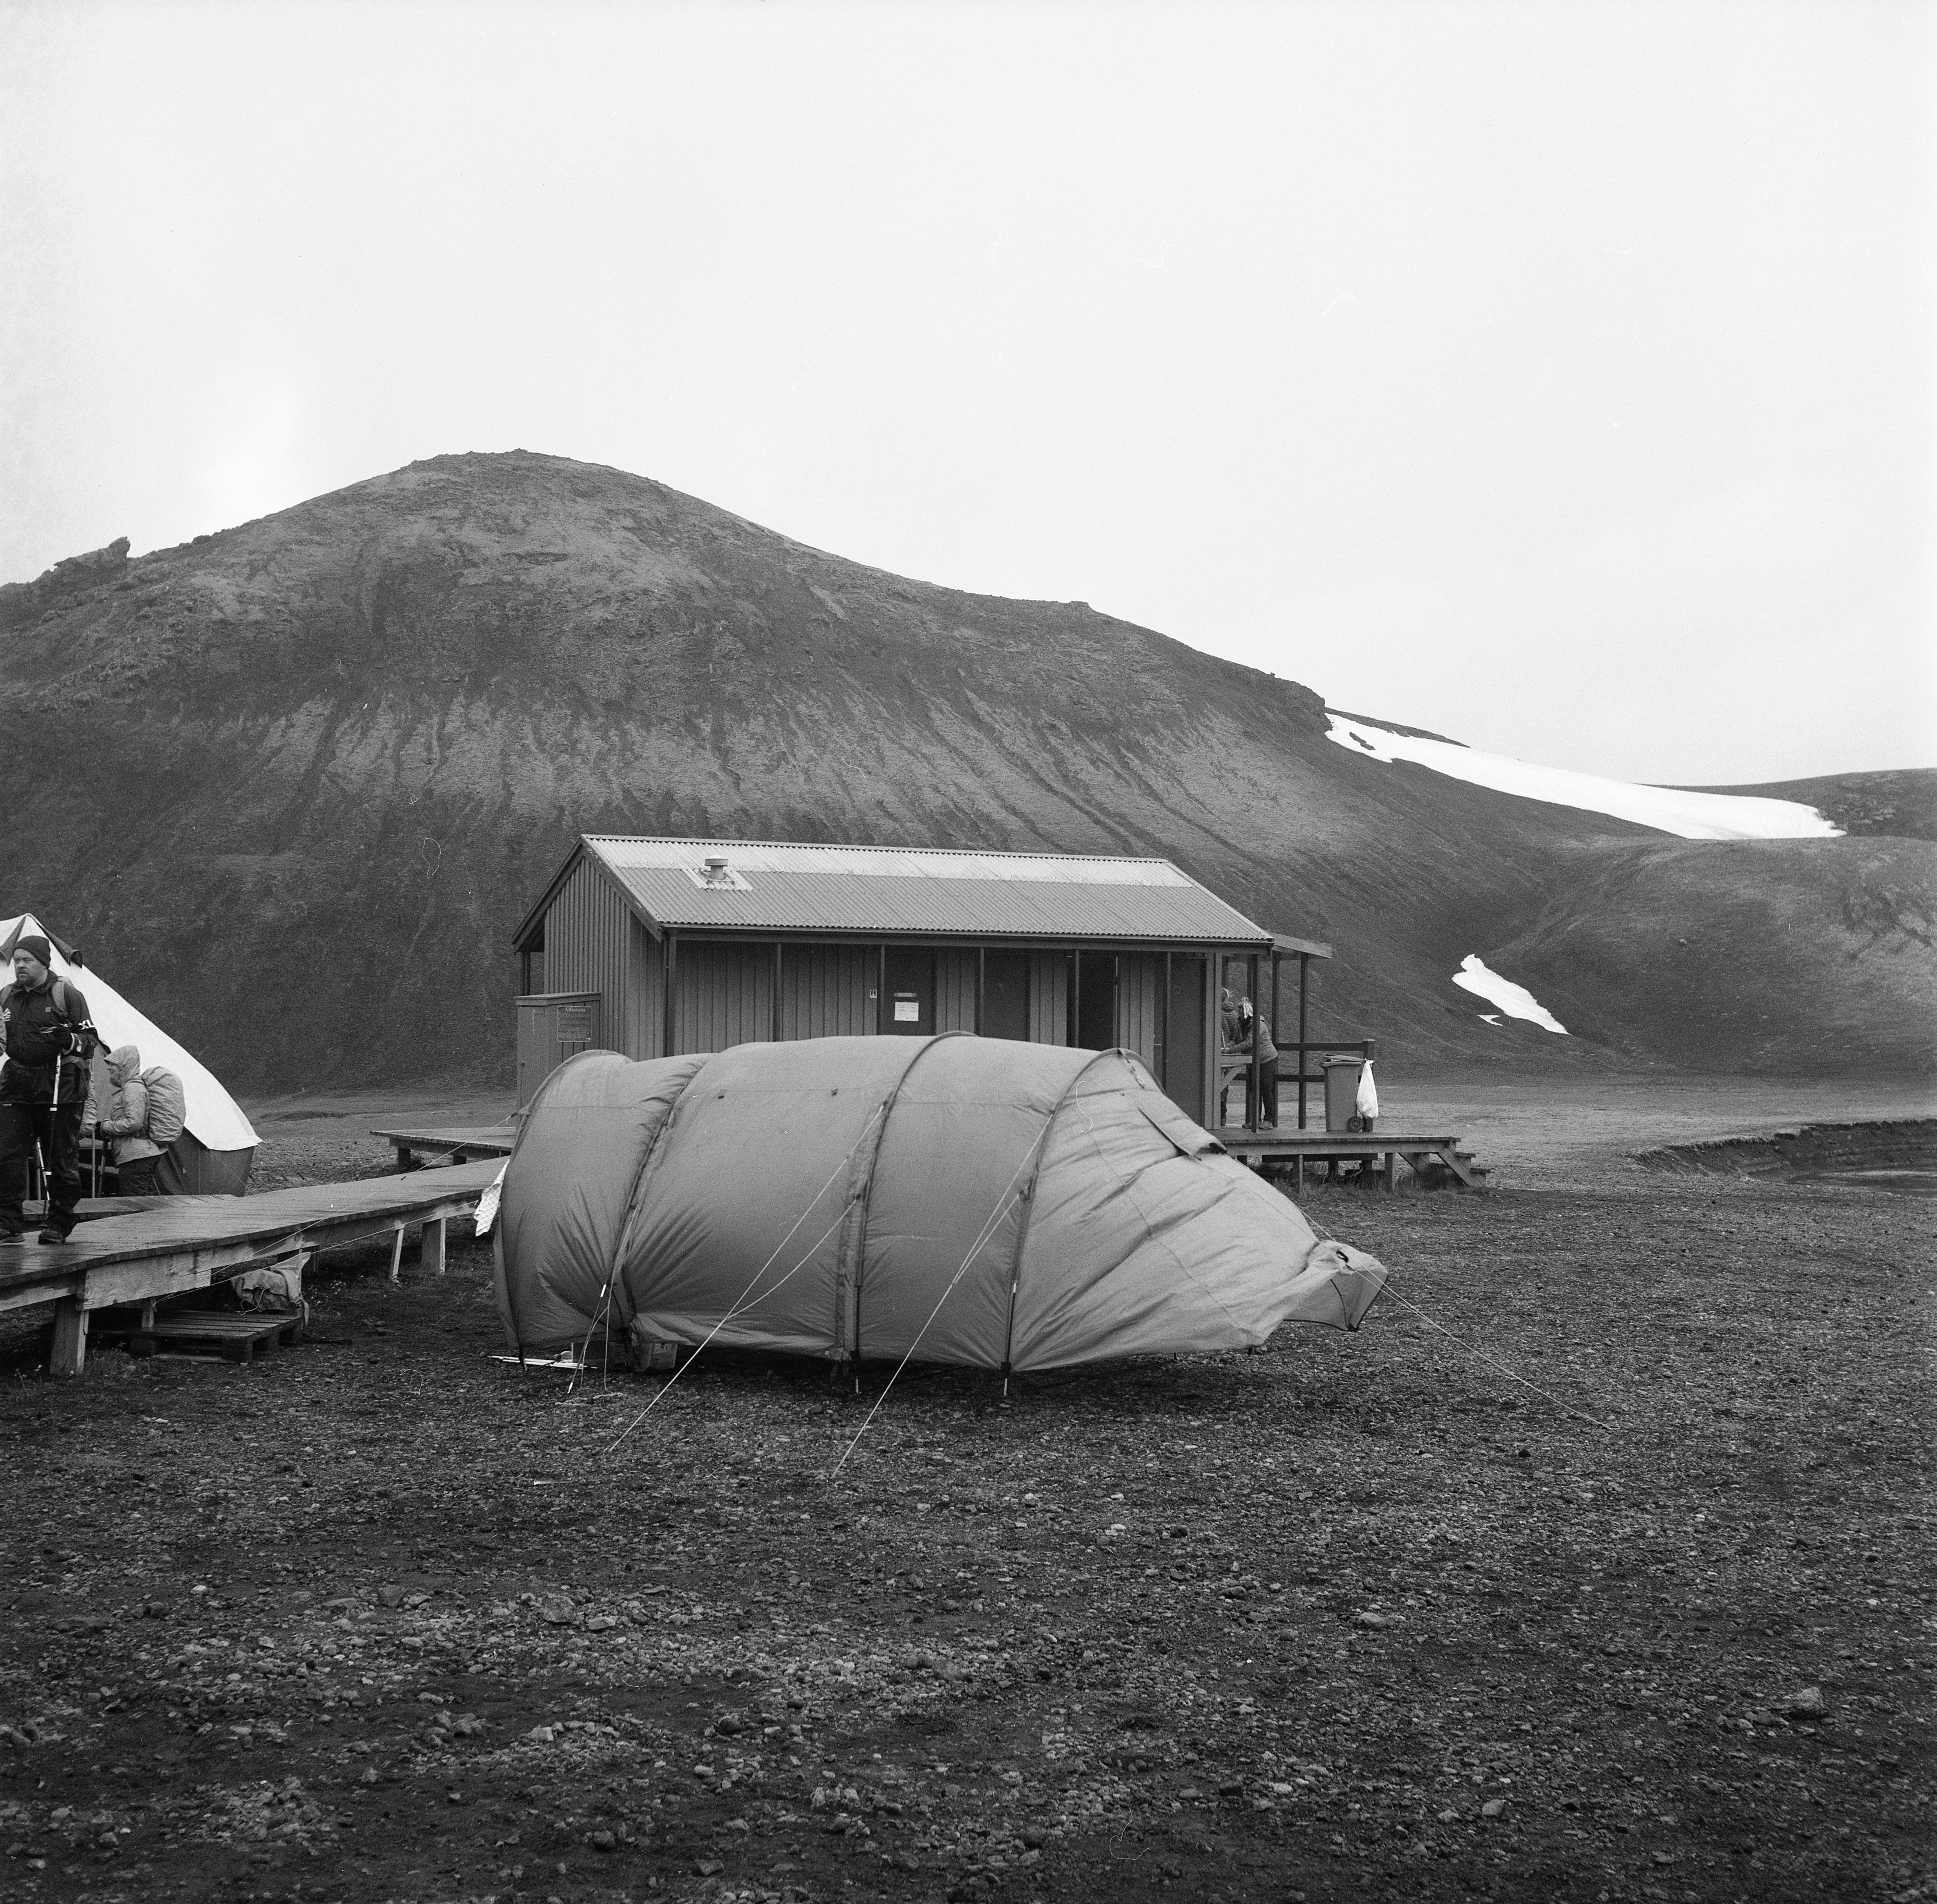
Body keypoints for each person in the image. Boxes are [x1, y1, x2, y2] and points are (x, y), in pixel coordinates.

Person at [0, 936, 100, 1244]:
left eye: (26, 960)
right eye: (16, 960)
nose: (19, 965)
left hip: (61, 1086)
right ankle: (8, 1223)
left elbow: (91, 1042)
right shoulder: (6, 996)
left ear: (43, 963)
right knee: (7, 1154)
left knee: (61, 1158)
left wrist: (68, 1040)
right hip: (17, 1084)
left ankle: (60, 1220)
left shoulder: (66, 994)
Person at [95, 1044, 165, 1197]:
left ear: (124, 1067)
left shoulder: (133, 1089)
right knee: (140, 1198)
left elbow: (134, 1122)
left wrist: (107, 1127)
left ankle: (143, 1222)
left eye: (113, 1066)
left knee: (134, 1201)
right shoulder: (131, 1088)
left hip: (137, 1155)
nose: (109, 1070)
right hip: (139, 1153)